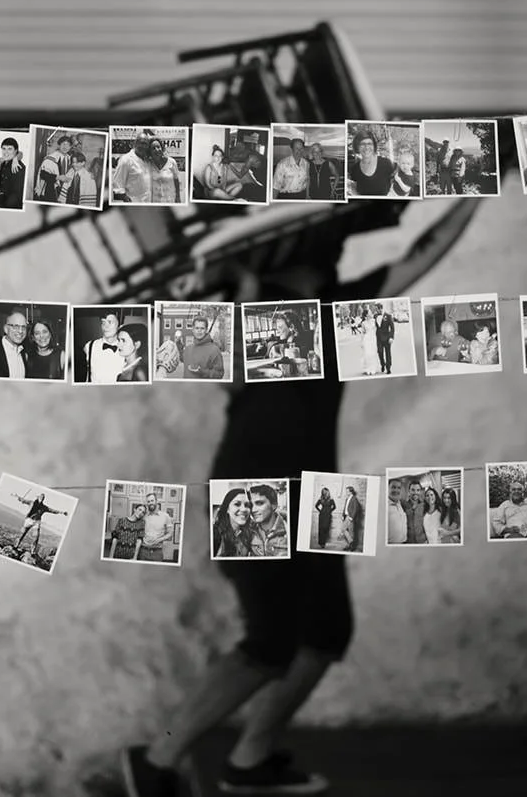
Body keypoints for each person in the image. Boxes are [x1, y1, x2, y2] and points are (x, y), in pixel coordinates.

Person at [123, 207, 469, 797]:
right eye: (324, 248)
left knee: (327, 631)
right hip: (254, 490)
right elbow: (201, 340)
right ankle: (157, 763)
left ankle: (250, 760)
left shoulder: (338, 308)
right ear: (289, 257)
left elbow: (422, 254)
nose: (335, 257)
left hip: (324, 494)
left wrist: (480, 189)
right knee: (270, 643)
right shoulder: (238, 315)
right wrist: (235, 283)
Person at [347, 131, 395, 197]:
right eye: (362, 144)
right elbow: (354, 188)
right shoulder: (354, 169)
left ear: (374, 146)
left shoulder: (386, 163)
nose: (366, 147)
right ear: (357, 147)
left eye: (369, 144)